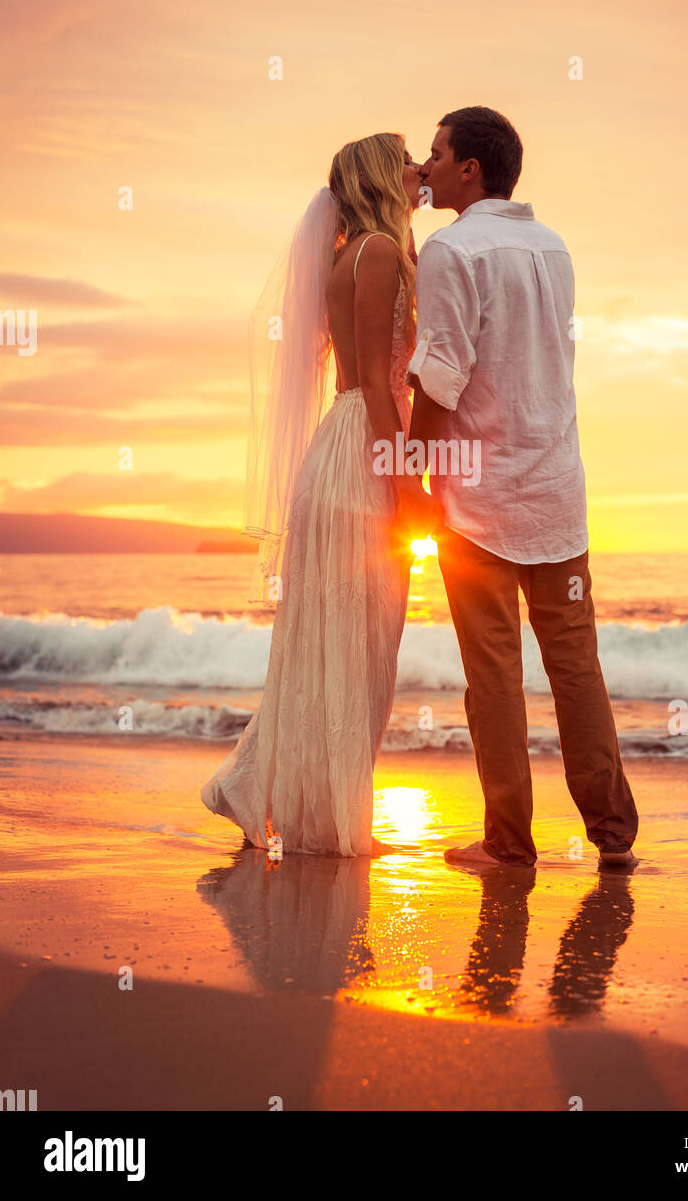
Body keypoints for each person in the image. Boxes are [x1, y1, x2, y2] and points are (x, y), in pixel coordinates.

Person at [407, 106, 639, 870]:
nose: (428, 165)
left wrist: (413, 475)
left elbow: (441, 376)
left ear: (470, 168)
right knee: (577, 667)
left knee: (494, 676)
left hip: (480, 502)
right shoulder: (552, 246)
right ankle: (612, 836)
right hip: (557, 494)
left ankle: (509, 841)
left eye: (436, 154)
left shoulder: (453, 249)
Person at [201, 133, 435, 856]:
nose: (420, 169)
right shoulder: (379, 255)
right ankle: (315, 811)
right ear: (379, 176)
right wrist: (408, 487)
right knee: (360, 642)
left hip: (343, 449)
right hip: (362, 452)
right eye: (406, 161)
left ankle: (270, 790)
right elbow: (373, 381)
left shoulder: (351, 255)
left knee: (332, 643)